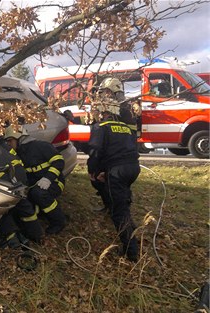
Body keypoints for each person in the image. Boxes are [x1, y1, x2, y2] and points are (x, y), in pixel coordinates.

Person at [88, 85, 141, 262]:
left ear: (103, 112)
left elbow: (96, 152)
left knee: (119, 212)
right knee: (121, 202)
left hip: (117, 171)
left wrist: (94, 171)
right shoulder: (124, 127)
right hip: (132, 168)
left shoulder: (101, 127)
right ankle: (132, 234)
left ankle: (131, 251)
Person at [5, 125, 68, 236]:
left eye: (10, 141)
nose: (9, 144)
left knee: (38, 194)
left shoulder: (41, 146)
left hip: (55, 181)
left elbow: (59, 162)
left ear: (19, 137)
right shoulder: (18, 154)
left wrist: (48, 178)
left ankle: (59, 221)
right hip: (35, 184)